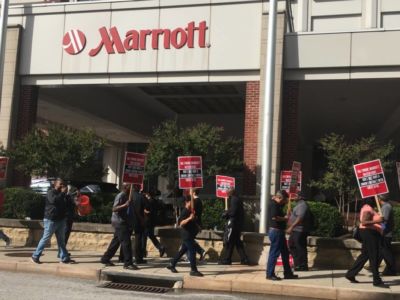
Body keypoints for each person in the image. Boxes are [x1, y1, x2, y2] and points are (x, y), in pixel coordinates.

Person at [32, 178, 72, 264]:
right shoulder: (51, 192)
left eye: (63, 184)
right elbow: (54, 201)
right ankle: (35, 255)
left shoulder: (63, 194)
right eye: (60, 184)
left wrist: (68, 195)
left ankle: (64, 257)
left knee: (61, 240)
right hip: (51, 220)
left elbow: (68, 204)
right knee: (45, 238)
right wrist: (62, 193)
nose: (62, 186)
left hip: (61, 220)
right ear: (55, 184)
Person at [346, 197, 385, 287]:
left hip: (370, 233)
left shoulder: (369, 208)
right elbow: (364, 222)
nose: (377, 200)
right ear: (371, 200)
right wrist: (377, 220)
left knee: (365, 255)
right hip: (369, 234)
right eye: (375, 198)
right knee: (374, 255)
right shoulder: (368, 208)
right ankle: (376, 280)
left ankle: (351, 274)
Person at [100, 184, 138, 270]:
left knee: (116, 242)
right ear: (126, 187)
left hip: (123, 222)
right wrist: (125, 205)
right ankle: (128, 263)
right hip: (120, 222)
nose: (133, 189)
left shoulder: (128, 196)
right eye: (131, 187)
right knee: (126, 242)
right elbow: (114, 209)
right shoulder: (121, 196)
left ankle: (105, 259)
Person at [166, 195, 203, 276]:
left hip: (190, 234)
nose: (192, 203)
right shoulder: (185, 211)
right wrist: (189, 218)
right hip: (186, 235)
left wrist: (197, 226)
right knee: (192, 251)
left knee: (182, 250)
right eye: (191, 202)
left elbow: (192, 221)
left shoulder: (190, 210)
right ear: (188, 202)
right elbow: (181, 223)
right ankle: (193, 270)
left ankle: (172, 264)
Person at [266, 190, 298, 281]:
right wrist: (285, 219)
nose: (285, 202)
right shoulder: (273, 204)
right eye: (284, 200)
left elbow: (281, 207)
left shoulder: (277, 204)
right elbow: (274, 217)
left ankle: (288, 273)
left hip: (279, 232)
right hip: (276, 232)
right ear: (279, 198)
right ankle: (270, 274)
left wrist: (288, 202)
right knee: (274, 253)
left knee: (285, 253)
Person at [218, 188, 250, 265]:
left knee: (229, 241)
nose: (226, 194)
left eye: (227, 193)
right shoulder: (237, 199)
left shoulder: (234, 199)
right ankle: (244, 258)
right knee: (236, 242)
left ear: (230, 193)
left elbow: (233, 212)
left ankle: (227, 259)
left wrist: (226, 213)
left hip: (233, 223)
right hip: (237, 223)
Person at [287, 193, 310, 271]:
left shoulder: (303, 205)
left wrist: (291, 227)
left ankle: (303, 266)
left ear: (300, 197)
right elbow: (293, 215)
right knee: (292, 245)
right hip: (295, 230)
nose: (294, 197)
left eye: (295, 196)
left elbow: (300, 218)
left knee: (300, 247)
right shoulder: (298, 205)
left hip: (300, 230)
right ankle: (297, 264)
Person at [142, 191, 166, 258]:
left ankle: (143, 252)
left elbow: (147, 211)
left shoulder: (149, 202)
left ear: (148, 194)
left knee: (144, 237)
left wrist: (143, 210)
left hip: (147, 221)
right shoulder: (156, 201)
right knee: (151, 235)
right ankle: (160, 247)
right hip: (153, 221)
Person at [377, 194, 396, 276]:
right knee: (383, 251)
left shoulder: (386, 207)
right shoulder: (386, 206)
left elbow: (384, 220)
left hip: (386, 234)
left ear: (380, 199)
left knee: (386, 252)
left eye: (378, 199)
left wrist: (381, 230)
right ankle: (376, 265)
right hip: (386, 233)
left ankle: (392, 269)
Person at [132, 184, 146, 264]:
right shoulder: (140, 197)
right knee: (138, 239)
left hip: (129, 220)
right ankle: (138, 258)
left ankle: (122, 257)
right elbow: (147, 206)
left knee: (125, 239)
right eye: (139, 186)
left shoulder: (128, 196)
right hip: (138, 220)